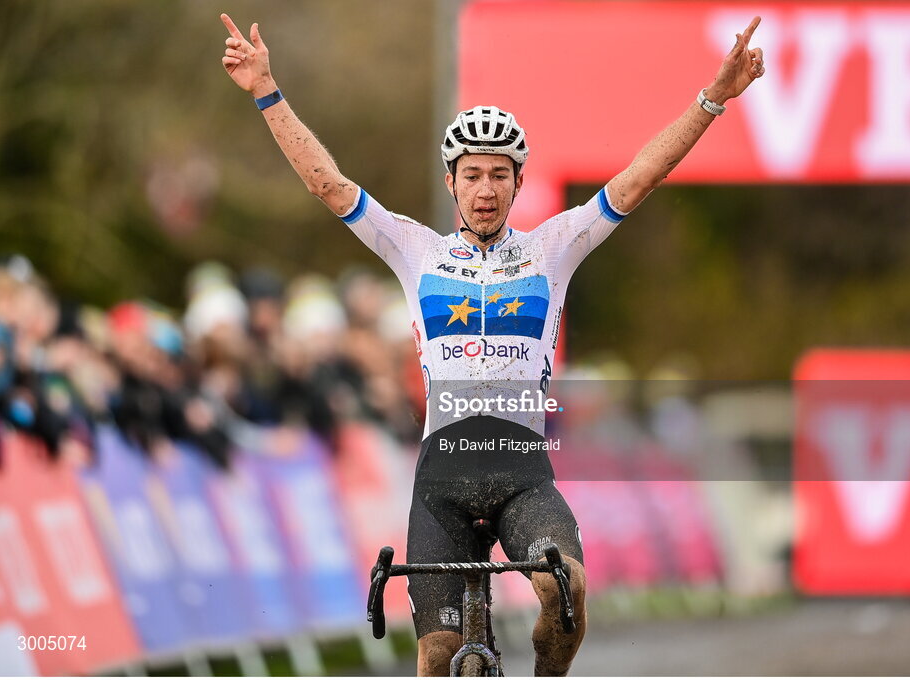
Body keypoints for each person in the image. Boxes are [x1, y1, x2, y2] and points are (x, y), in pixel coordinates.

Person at [220, 12, 765, 675]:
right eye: (472, 174)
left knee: (566, 594)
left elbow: (638, 179)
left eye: (498, 175)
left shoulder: (551, 248)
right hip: (441, 483)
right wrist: (266, 92)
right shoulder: (415, 250)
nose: (484, 189)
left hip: (522, 476)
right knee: (438, 655)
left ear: (517, 182)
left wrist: (712, 100)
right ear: (451, 181)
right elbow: (327, 186)